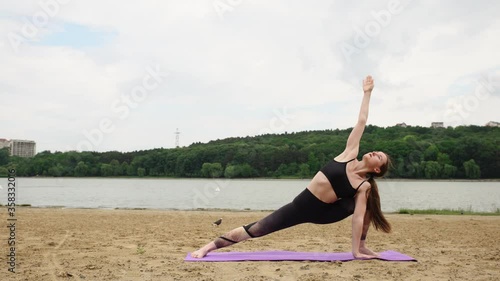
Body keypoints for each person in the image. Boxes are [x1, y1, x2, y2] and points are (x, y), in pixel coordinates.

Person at [191, 75, 391, 259]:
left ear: (376, 170)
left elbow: (357, 218)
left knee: (367, 206)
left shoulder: (362, 186)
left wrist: (355, 251)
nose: (375, 152)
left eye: (379, 157)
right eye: (377, 151)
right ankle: (207, 247)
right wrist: (367, 93)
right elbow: (362, 121)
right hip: (300, 206)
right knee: (256, 229)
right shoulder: (349, 154)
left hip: (325, 214)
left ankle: (362, 247)